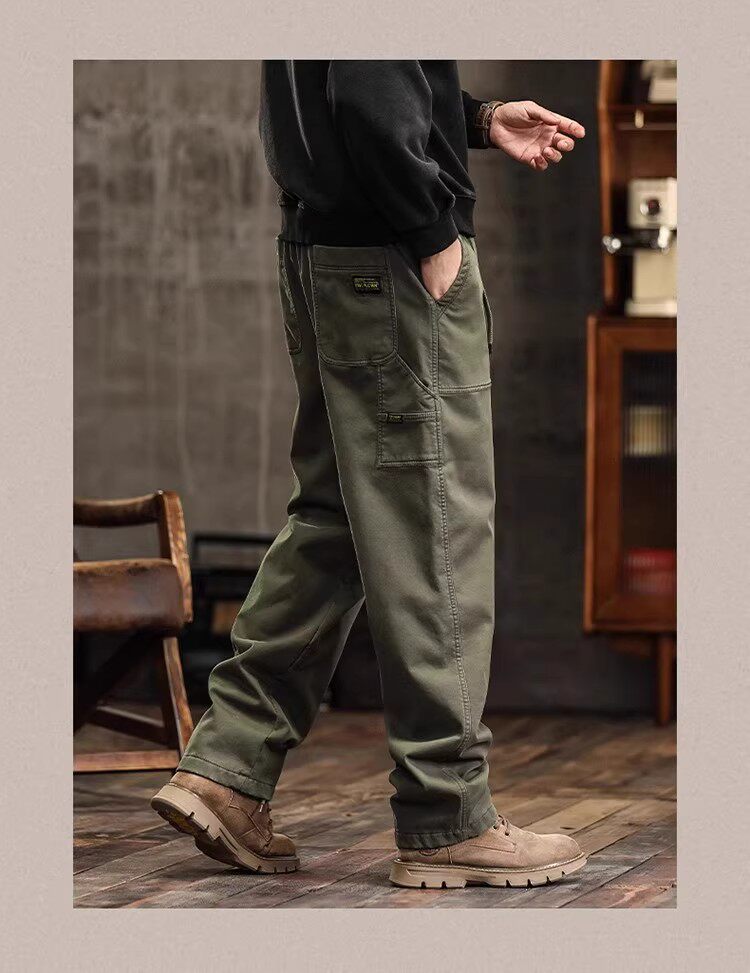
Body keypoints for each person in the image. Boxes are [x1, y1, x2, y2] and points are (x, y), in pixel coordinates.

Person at [152, 60, 587, 890]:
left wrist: (474, 116)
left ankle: (226, 770)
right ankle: (448, 814)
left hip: (325, 250)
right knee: (434, 529)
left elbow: (352, 76)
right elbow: (367, 87)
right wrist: (431, 230)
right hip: (390, 258)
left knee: (342, 519)